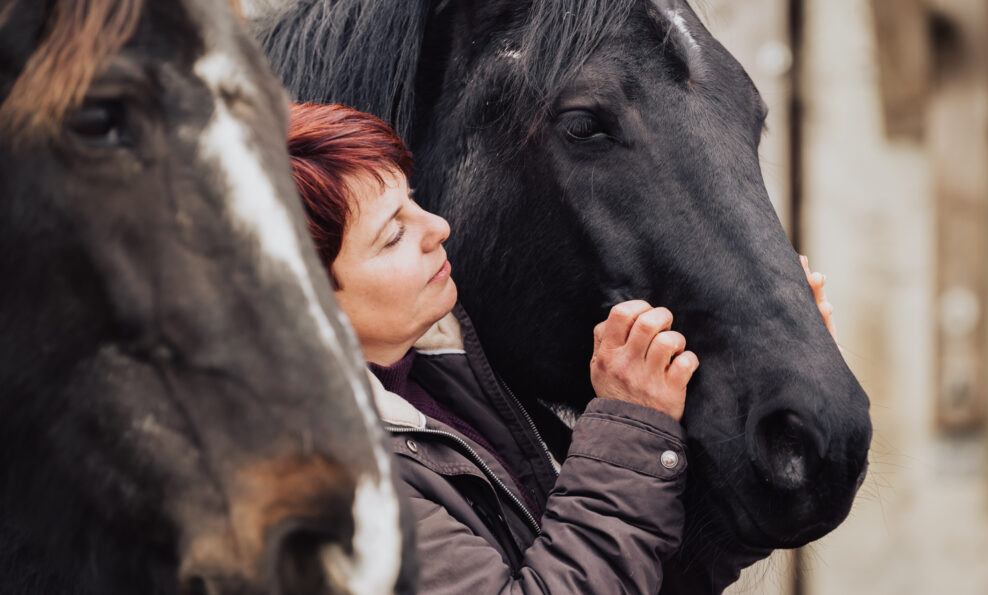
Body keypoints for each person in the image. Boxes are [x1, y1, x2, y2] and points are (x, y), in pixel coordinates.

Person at [286, 102, 838, 594]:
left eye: (412, 201)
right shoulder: (337, 488)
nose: (437, 226)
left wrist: (760, 413)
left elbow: (628, 571)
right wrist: (630, 426)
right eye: (393, 235)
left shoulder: (442, 378)